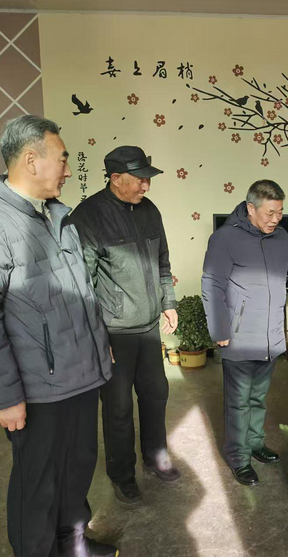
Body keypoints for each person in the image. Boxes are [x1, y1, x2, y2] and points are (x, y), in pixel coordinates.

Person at [0, 115, 117, 556]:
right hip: (38, 388)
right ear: (30, 160)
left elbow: (80, 294)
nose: (68, 169)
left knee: (78, 468)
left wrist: (100, 349)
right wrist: (4, 396)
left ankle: (73, 544)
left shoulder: (58, 216)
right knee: (38, 483)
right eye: (62, 159)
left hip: (81, 376)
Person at [67, 146, 179, 507]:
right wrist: (96, 335)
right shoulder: (87, 217)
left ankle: (156, 457)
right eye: (139, 179)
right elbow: (81, 285)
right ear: (115, 178)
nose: (146, 186)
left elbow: (162, 261)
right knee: (117, 408)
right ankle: (122, 474)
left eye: (148, 179)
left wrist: (168, 301)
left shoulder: (150, 210)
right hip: (113, 332)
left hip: (148, 327)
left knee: (156, 394)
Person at [201, 180, 288, 486]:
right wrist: (219, 328)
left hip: (271, 336)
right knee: (238, 402)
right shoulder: (224, 238)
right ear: (250, 208)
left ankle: (255, 443)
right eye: (270, 212)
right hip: (239, 336)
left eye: (280, 212)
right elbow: (212, 284)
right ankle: (238, 457)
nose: (276, 219)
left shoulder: (281, 237)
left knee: (258, 398)